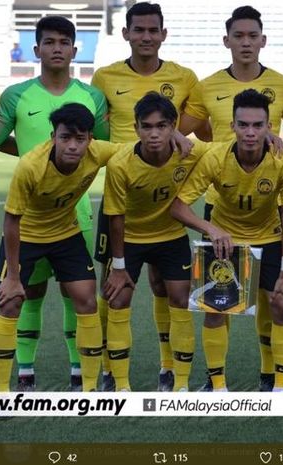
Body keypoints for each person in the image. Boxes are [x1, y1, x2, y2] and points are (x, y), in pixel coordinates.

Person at [178, 5, 283, 392]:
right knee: (218, 305)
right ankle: (217, 385)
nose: (246, 42)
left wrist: (282, 153)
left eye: (253, 36)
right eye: (239, 35)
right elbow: (181, 132)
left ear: (262, 40)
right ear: (227, 40)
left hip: (266, 217)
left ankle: (274, 381)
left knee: (276, 301)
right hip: (222, 213)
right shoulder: (207, 86)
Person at [0, 16, 109, 392]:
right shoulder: (16, 95)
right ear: (36, 49)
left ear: (75, 49)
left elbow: (104, 147)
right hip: (29, 220)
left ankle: (79, 373)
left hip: (77, 217)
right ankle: (23, 373)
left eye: (64, 42)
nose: (57, 48)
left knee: (79, 296)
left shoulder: (92, 97)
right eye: (49, 42)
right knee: (27, 294)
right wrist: (28, 153)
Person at [91, 1, 198, 392]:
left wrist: (176, 134)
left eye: (154, 30)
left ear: (163, 34)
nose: (146, 37)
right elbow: (97, 130)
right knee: (114, 287)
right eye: (139, 30)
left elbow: (192, 123)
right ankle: (108, 369)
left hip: (165, 195)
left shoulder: (184, 77)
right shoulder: (104, 77)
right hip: (121, 193)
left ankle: (169, 368)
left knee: (165, 288)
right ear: (127, 34)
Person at [0, 103, 119, 393]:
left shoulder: (97, 152)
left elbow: (135, 150)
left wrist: (174, 136)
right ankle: (1, 392)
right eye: (65, 138)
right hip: (26, 236)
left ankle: (88, 390)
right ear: (53, 136)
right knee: (9, 302)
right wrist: (12, 277)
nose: (73, 146)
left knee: (87, 299)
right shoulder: (30, 166)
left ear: (90, 139)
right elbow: (11, 221)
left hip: (66, 234)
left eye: (80, 138)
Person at [102, 92, 207, 392]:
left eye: (162, 126)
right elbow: (116, 218)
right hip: (130, 238)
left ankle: (178, 382)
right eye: (146, 127)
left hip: (170, 234)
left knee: (180, 297)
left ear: (173, 127)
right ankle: (119, 384)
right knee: (118, 298)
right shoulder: (121, 164)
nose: (154, 134)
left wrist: (269, 138)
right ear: (135, 129)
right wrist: (119, 267)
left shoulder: (190, 151)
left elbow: (228, 150)